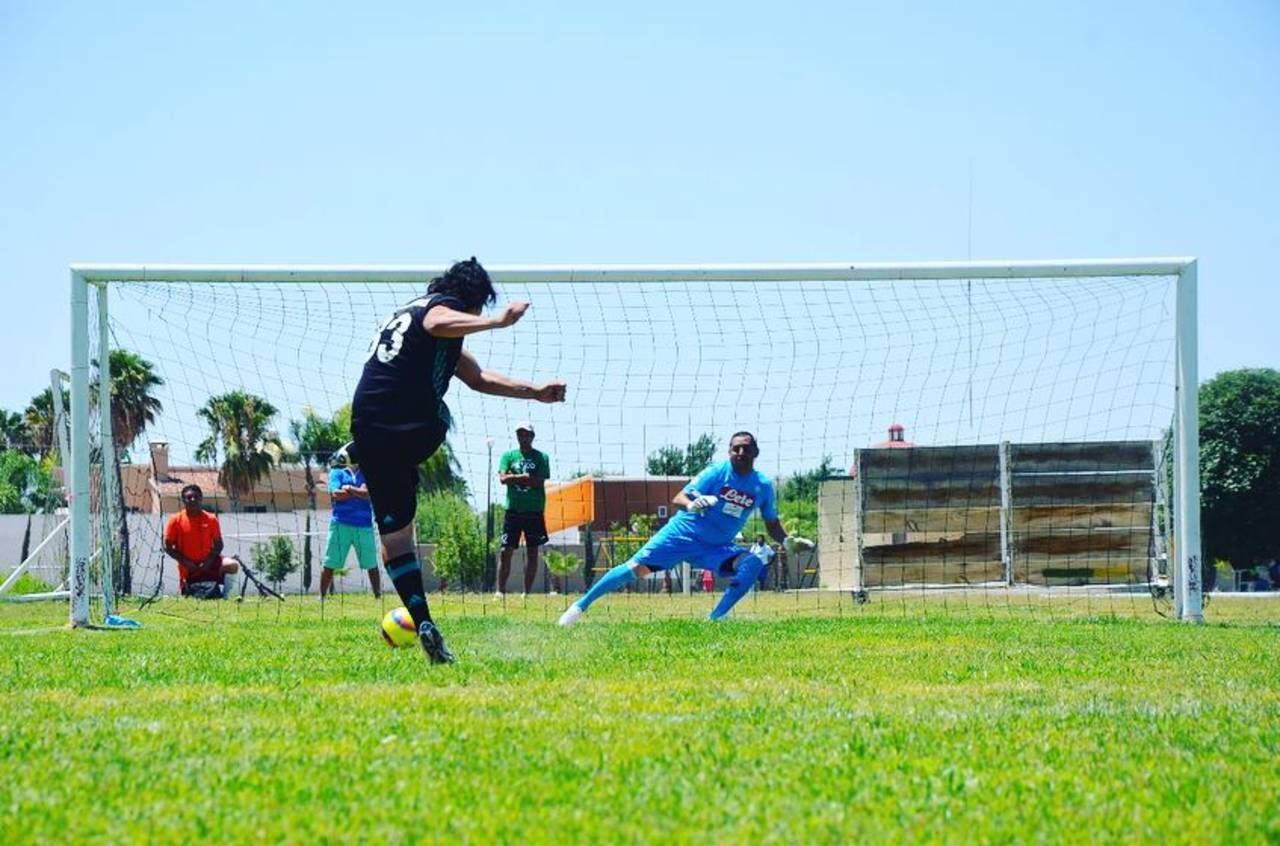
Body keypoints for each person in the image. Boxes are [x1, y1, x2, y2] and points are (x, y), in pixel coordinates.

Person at [350, 257, 567, 664]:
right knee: (440, 415)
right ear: (473, 300)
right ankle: (395, 448)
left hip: (368, 428)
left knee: (395, 541)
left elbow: (479, 378)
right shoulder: (437, 310)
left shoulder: (414, 316)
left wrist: (535, 392)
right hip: (409, 423)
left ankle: (425, 622)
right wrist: (499, 323)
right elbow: (438, 322)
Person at [558, 432, 813, 625]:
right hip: (680, 536)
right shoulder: (716, 473)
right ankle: (579, 607)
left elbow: (772, 524)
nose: (740, 453)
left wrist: (787, 541)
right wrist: (693, 505)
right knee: (634, 569)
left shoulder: (762, 486)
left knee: (752, 563)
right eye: (736, 449)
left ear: (755, 452)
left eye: (746, 449)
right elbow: (679, 497)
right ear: (729, 452)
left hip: (716, 548)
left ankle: (715, 620)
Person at [495, 421, 551, 597]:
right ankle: (500, 591)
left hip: (534, 511)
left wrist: (516, 478)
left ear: (532, 437)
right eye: (520, 434)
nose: (523, 437)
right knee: (505, 550)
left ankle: (526, 592)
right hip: (513, 511)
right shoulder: (508, 456)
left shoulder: (542, 457)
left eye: (526, 434)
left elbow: (539, 481)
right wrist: (523, 477)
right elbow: (503, 478)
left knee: (533, 552)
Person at [321, 447, 381, 598]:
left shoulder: (368, 472)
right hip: (340, 524)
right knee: (330, 562)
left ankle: (378, 596)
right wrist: (357, 491)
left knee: (371, 563)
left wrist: (348, 489)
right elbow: (336, 494)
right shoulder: (336, 472)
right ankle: (321, 596)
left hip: (364, 525)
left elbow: (367, 493)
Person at [163, 484, 240, 599]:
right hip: (188, 567)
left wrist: (208, 561)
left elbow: (219, 544)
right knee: (191, 595)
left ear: (201, 499)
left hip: (209, 563)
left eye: (196, 497)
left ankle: (225, 596)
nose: (193, 500)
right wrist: (185, 562)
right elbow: (167, 546)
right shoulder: (175, 520)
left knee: (233, 565)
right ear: (184, 500)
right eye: (189, 497)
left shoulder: (211, 519)